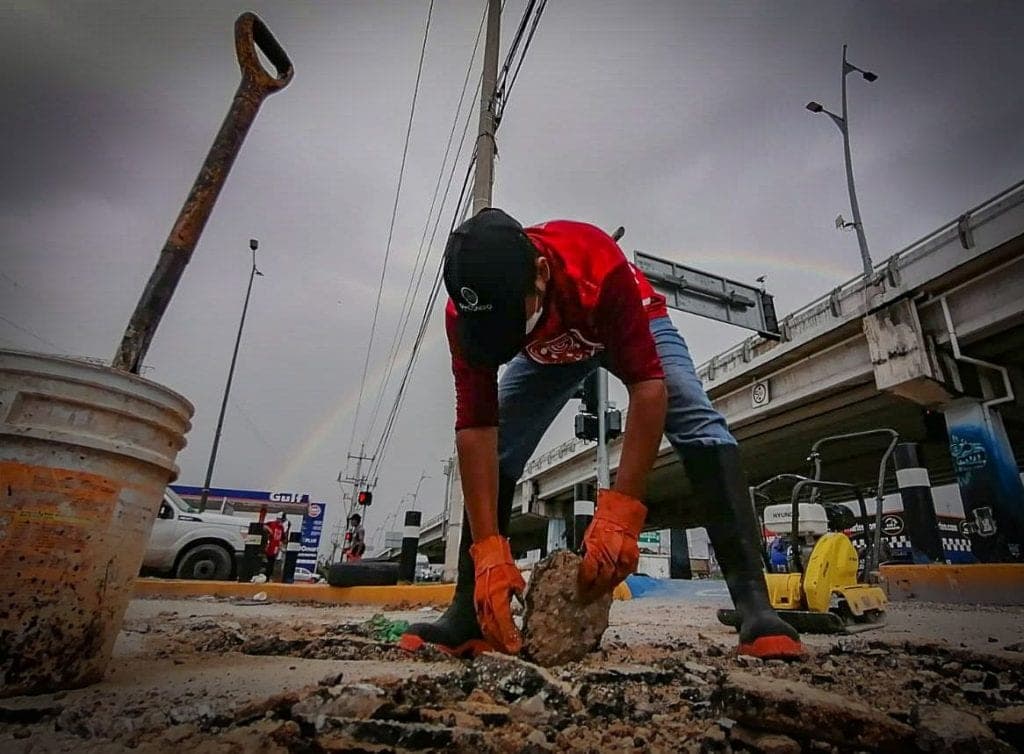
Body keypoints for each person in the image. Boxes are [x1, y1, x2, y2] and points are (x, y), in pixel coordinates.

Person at [400, 209, 803, 660]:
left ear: (541, 274)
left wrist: (620, 515)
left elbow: (648, 387)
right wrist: (488, 550)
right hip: (548, 352)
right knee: (500, 447)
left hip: (622, 322)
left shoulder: (593, 265)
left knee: (693, 415)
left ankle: (755, 607)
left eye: (508, 324)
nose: (499, 344)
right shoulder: (466, 310)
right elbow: (477, 428)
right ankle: (468, 615)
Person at [263, 512, 287, 578]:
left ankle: (268, 576)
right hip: (269, 545)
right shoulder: (272, 523)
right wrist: (269, 530)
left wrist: (281, 546)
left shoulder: (281, 527)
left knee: (272, 562)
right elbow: (263, 525)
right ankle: (266, 575)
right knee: (269, 561)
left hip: (275, 547)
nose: (281, 521)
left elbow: (282, 538)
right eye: (281, 520)